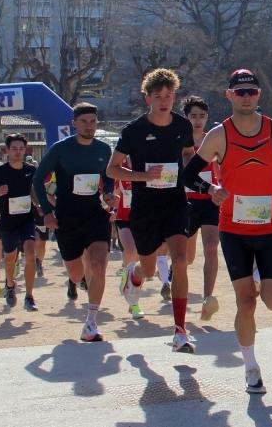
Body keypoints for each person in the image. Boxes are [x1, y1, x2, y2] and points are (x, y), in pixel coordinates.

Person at [181, 68, 272, 394]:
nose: (247, 97)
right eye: (240, 92)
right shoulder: (219, 135)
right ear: (229, 95)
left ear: (258, 95)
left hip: (269, 226)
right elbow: (189, 175)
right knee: (246, 302)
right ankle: (251, 367)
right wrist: (212, 188)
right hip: (233, 228)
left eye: (252, 91)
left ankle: (260, 275)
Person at [107, 68, 197, 353]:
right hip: (144, 207)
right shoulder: (134, 130)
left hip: (175, 203)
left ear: (174, 97)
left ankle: (180, 331)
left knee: (180, 259)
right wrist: (143, 177)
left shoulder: (183, 126)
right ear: (148, 98)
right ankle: (132, 276)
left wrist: (189, 166)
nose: (163, 101)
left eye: (168, 96)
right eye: (158, 96)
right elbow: (112, 168)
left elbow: (186, 152)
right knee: (147, 269)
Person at [34, 103, 117, 341]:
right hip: (67, 217)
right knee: (75, 272)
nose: (89, 126)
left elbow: (108, 178)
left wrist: (109, 193)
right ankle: (76, 281)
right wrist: (47, 212)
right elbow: (39, 179)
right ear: (74, 124)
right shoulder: (60, 149)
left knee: (99, 263)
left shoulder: (103, 148)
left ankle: (91, 323)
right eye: (84, 122)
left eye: (93, 122)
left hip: (95, 213)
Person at [0, 134, 41, 311]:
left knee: (31, 253)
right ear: (7, 151)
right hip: (8, 221)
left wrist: (39, 204)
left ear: (25, 150)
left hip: (26, 219)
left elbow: (33, 192)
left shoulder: (31, 170)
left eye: (21, 149)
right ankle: (9, 285)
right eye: (14, 149)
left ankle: (29, 296)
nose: (18, 152)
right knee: (9, 258)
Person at [182, 95, 221, 321]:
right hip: (186, 202)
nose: (198, 121)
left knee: (211, 248)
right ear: (186, 117)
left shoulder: (212, 140)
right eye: (193, 116)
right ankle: (171, 280)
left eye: (202, 116)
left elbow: (223, 167)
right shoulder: (179, 142)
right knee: (186, 258)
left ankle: (208, 298)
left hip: (209, 201)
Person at [113, 157, 145, 320]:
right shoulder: (119, 168)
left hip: (144, 219)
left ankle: (127, 279)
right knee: (131, 251)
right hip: (123, 218)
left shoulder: (147, 166)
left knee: (142, 262)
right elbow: (111, 193)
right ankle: (134, 304)